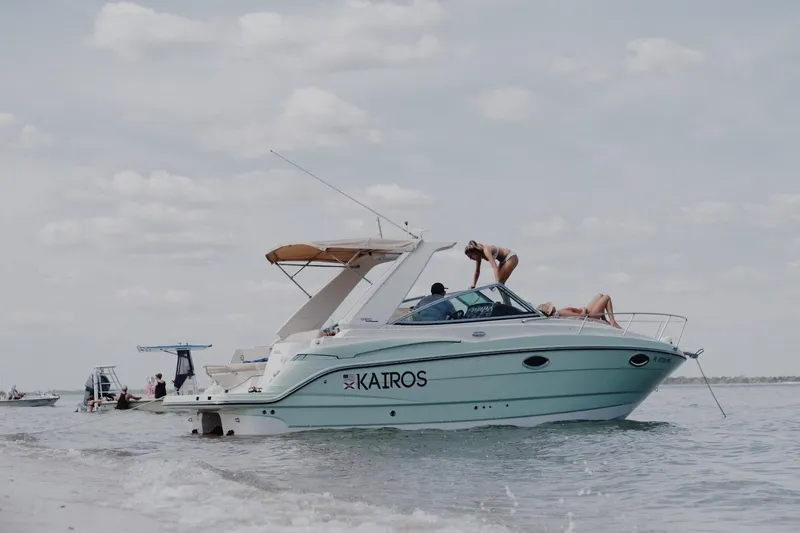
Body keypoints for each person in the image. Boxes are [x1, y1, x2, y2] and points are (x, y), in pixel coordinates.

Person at [537, 293, 621, 328]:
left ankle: (604, 319)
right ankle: (613, 321)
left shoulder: (559, 313)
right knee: (606, 297)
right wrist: (583, 309)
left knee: (600, 295)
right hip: (589, 315)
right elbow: (581, 317)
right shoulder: (561, 313)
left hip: (588, 313)